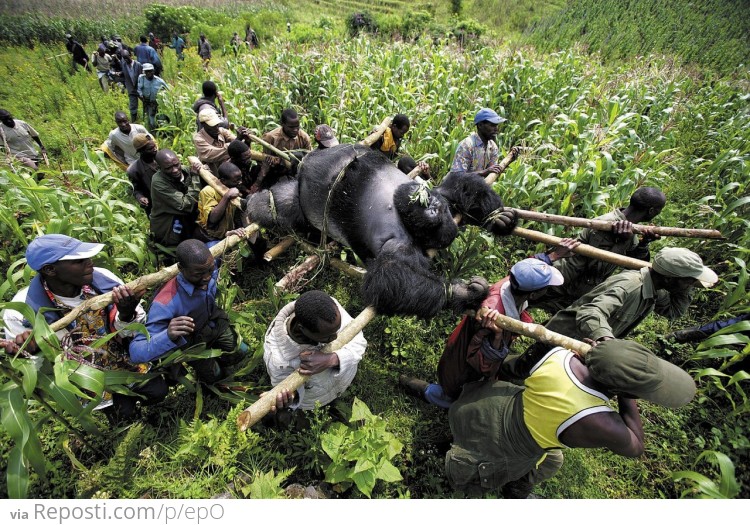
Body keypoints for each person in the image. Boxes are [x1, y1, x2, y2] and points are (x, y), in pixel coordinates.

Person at [445, 339, 696, 498]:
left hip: (481, 405)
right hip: (496, 443)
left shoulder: (555, 354)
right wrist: (627, 395)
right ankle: (515, 493)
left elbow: (510, 369)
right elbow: (636, 447)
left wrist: (604, 359)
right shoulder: (598, 420)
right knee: (552, 461)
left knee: (553, 455)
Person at [0, 234, 167, 424]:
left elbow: (133, 330)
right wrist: (32, 352)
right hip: (87, 376)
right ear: (50, 270)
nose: (90, 263)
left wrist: (126, 314)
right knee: (124, 416)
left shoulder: (103, 279)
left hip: (124, 359)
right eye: (79, 260)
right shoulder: (22, 312)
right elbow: (33, 368)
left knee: (158, 392)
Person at [508, 247, 718, 378]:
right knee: (525, 369)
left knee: (544, 375)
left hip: (582, 344)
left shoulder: (656, 290)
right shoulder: (630, 285)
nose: (691, 285)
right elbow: (592, 310)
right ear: (670, 278)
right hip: (565, 336)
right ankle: (493, 376)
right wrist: (606, 339)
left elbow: (674, 312)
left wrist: (687, 286)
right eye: (688, 281)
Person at [400, 257, 566, 408]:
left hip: (460, 347)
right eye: (546, 287)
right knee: (456, 396)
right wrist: (498, 336)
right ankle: (420, 389)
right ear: (534, 293)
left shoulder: (511, 283)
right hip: (463, 365)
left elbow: (528, 268)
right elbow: (482, 364)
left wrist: (549, 258)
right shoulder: (493, 317)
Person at [531, 187, 667, 313]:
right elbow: (596, 264)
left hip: (575, 288)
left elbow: (633, 264)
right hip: (564, 284)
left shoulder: (628, 229)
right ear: (651, 211)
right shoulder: (607, 225)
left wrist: (644, 242)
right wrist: (620, 241)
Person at [129, 239, 246, 383]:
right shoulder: (165, 302)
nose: (207, 277)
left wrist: (230, 235)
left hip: (214, 323)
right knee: (214, 375)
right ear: (181, 268)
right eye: (198, 275)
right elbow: (136, 352)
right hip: (193, 343)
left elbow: (215, 245)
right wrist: (168, 335)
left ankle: (223, 362)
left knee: (242, 350)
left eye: (210, 270)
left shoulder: (206, 262)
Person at [263, 290, 367, 414]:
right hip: (317, 400)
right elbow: (292, 392)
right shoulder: (278, 360)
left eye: (337, 330)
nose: (335, 338)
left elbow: (359, 340)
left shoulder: (329, 310)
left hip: (344, 379)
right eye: (326, 337)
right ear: (302, 329)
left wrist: (332, 359)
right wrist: (291, 398)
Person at [149, 149, 202, 248]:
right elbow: (185, 205)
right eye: (168, 168)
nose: (175, 170)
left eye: (176, 165)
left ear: (179, 161)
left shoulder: (185, 170)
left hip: (186, 219)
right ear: (159, 168)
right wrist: (195, 178)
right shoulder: (158, 182)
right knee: (177, 249)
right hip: (169, 225)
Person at [196, 161, 247, 246]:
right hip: (210, 237)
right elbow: (212, 220)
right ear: (223, 180)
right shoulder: (208, 191)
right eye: (236, 180)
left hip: (227, 233)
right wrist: (226, 197)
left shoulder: (234, 188)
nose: (240, 182)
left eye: (240, 178)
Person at [450, 107, 506, 178]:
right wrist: (484, 172)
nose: (496, 129)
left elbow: (492, 173)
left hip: (480, 187)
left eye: (496, 125)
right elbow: (456, 176)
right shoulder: (467, 145)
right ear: (480, 125)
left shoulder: (492, 147)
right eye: (492, 125)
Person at [193, 109, 237, 176]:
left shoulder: (221, 130)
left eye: (217, 124)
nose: (216, 128)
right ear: (203, 124)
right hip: (213, 175)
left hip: (229, 171)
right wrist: (234, 144)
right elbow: (211, 155)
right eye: (212, 125)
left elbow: (237, 143)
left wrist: (242, 138)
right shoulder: (199, 139)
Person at [126, 133, 159, 215]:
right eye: (150, 149)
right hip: (156, 206)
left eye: (154, 146)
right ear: (141, 151)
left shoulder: (163, 158)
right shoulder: (135, 170)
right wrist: (140, 197)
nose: (155, 150)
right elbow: (136, 189)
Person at [137, 63, 169, 130]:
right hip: (148, 103)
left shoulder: (159, 81)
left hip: (159, 103)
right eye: (147, 71)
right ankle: (153, 131)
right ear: (144, 72)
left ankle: (163, 131)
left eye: (150, 71)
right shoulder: (141, 79)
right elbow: (139, 89)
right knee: (151, 118)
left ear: (153, 71)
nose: (149, 73)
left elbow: (168, 90)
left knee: (161, 117)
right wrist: (142, 97)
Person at [118, 50, 143, 122]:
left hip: (139, 88)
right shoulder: (124, 65)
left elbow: (142, 77)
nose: (126, 60)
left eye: (127, 58)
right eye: (124, 58)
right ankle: (134, 121)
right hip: (131, 88)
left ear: (130, 55)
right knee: (133, 106)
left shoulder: (138, 65)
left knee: (146, 103)